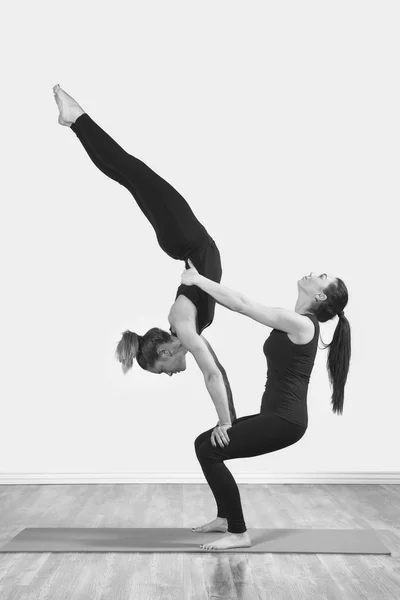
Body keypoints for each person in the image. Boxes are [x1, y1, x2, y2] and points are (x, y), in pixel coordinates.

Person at [52, 84, 237, 441]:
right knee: (128, 174)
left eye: (162, 370)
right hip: (182, 239)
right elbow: (219, 373)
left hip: (184, 236)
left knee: (130, 171)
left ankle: (76, 118)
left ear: (165, 351)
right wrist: (230, 419)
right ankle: (74, 120)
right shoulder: (188, 331)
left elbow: (211, 374)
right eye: (164, 373)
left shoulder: (183, 326)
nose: (170, 374)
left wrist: (225, 422)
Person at [180, 259, 351, 550]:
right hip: (275, 416)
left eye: (322, 276)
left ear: (321, 296)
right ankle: (224, 518)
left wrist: (197, 280)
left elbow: (242, 304)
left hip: (285, 422)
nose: (313, 271)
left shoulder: (301, 323)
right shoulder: (297, 322)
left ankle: (238, 532)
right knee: (202, 443)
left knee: (211, 451)